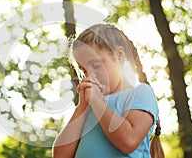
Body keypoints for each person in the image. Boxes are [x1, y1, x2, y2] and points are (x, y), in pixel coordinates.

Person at [53, 24, 164, 158]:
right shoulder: (88, 108)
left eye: (96, 65)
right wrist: (82, 107)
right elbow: (60, 155)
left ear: (119, 55)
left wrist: (96, 101)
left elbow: (128, 141)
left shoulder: (140, 93)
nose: (90, 76)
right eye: (84, 71)